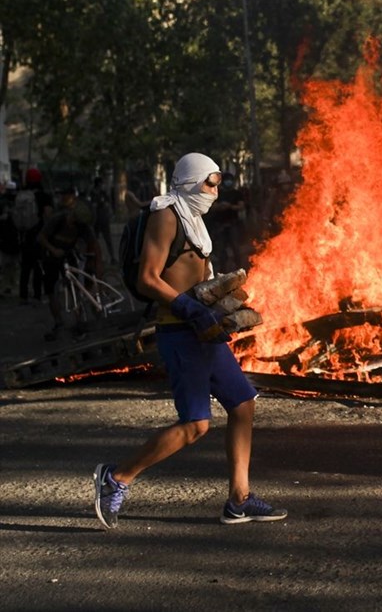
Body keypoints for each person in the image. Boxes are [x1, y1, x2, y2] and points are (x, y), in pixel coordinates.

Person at [93, 152, 286, 529]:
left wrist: (219, 305)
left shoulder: (193, 218)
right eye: (210, 182)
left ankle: (239, 500)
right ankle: (116, 477)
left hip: (203, 332)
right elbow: (149, 277)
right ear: (190, 180)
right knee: (196, 425)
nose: (215, 191)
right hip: (179, 333)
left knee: (243, 404)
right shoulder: (166, 216)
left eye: (218, 183)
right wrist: (189, 308)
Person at [36, 187, 102, 340]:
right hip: (51, 255)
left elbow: (94, 243)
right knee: (51, 289)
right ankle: (59, 322)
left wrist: (97, 263)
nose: (73, 225)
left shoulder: (82, 225)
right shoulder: (57, 219)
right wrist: (53, 249)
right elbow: (41, 238)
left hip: (68, 254)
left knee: (75, 286)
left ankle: (79, 320)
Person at [16, 167, 52, 303]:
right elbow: (48, 215)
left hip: (25, 235)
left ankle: (23, 296)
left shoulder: (21, 195)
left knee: (25, 267)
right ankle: (37, 295)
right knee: (38, 266)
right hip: (39, 235)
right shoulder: (44, 196)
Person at [203, 172, 246, 274]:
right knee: (221, 249)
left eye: (229, 180)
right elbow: (211, 207)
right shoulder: (218, 193)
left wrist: (230, 206)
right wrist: (220, 206)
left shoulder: (237, 193)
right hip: (220, 225)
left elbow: (241, 206)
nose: (228, 182)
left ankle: (239, 269)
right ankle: (222, 271)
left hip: (232, 224)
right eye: (226, 180)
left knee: (235, 248)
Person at [88, 176, 116, 263]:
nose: (103, 185)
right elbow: (94, 206)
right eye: (102, 183)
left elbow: (107, 203)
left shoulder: (102, 193)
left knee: (107, 239)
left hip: (103, 218)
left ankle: (112, 257)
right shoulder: (93, 193)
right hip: (97, 219)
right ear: (99, 184)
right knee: (95, 239)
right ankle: (95, 257)